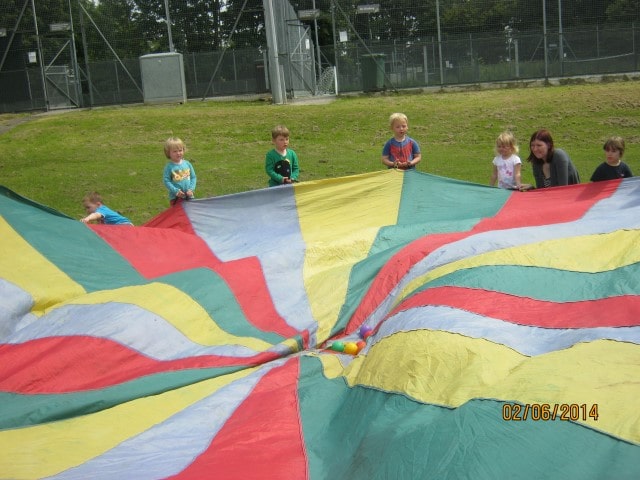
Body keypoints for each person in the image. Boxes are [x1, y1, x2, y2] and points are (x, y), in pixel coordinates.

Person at [163, 137, 197, 205]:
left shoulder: (187, 164)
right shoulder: (169, 167)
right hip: (176, 199)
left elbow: (193, 177)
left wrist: (191, 189)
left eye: (180, 150)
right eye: (175, 151)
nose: (178, 153)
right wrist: (176, 191)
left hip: (189, 197)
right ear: (168, 153)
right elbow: (166, 181)